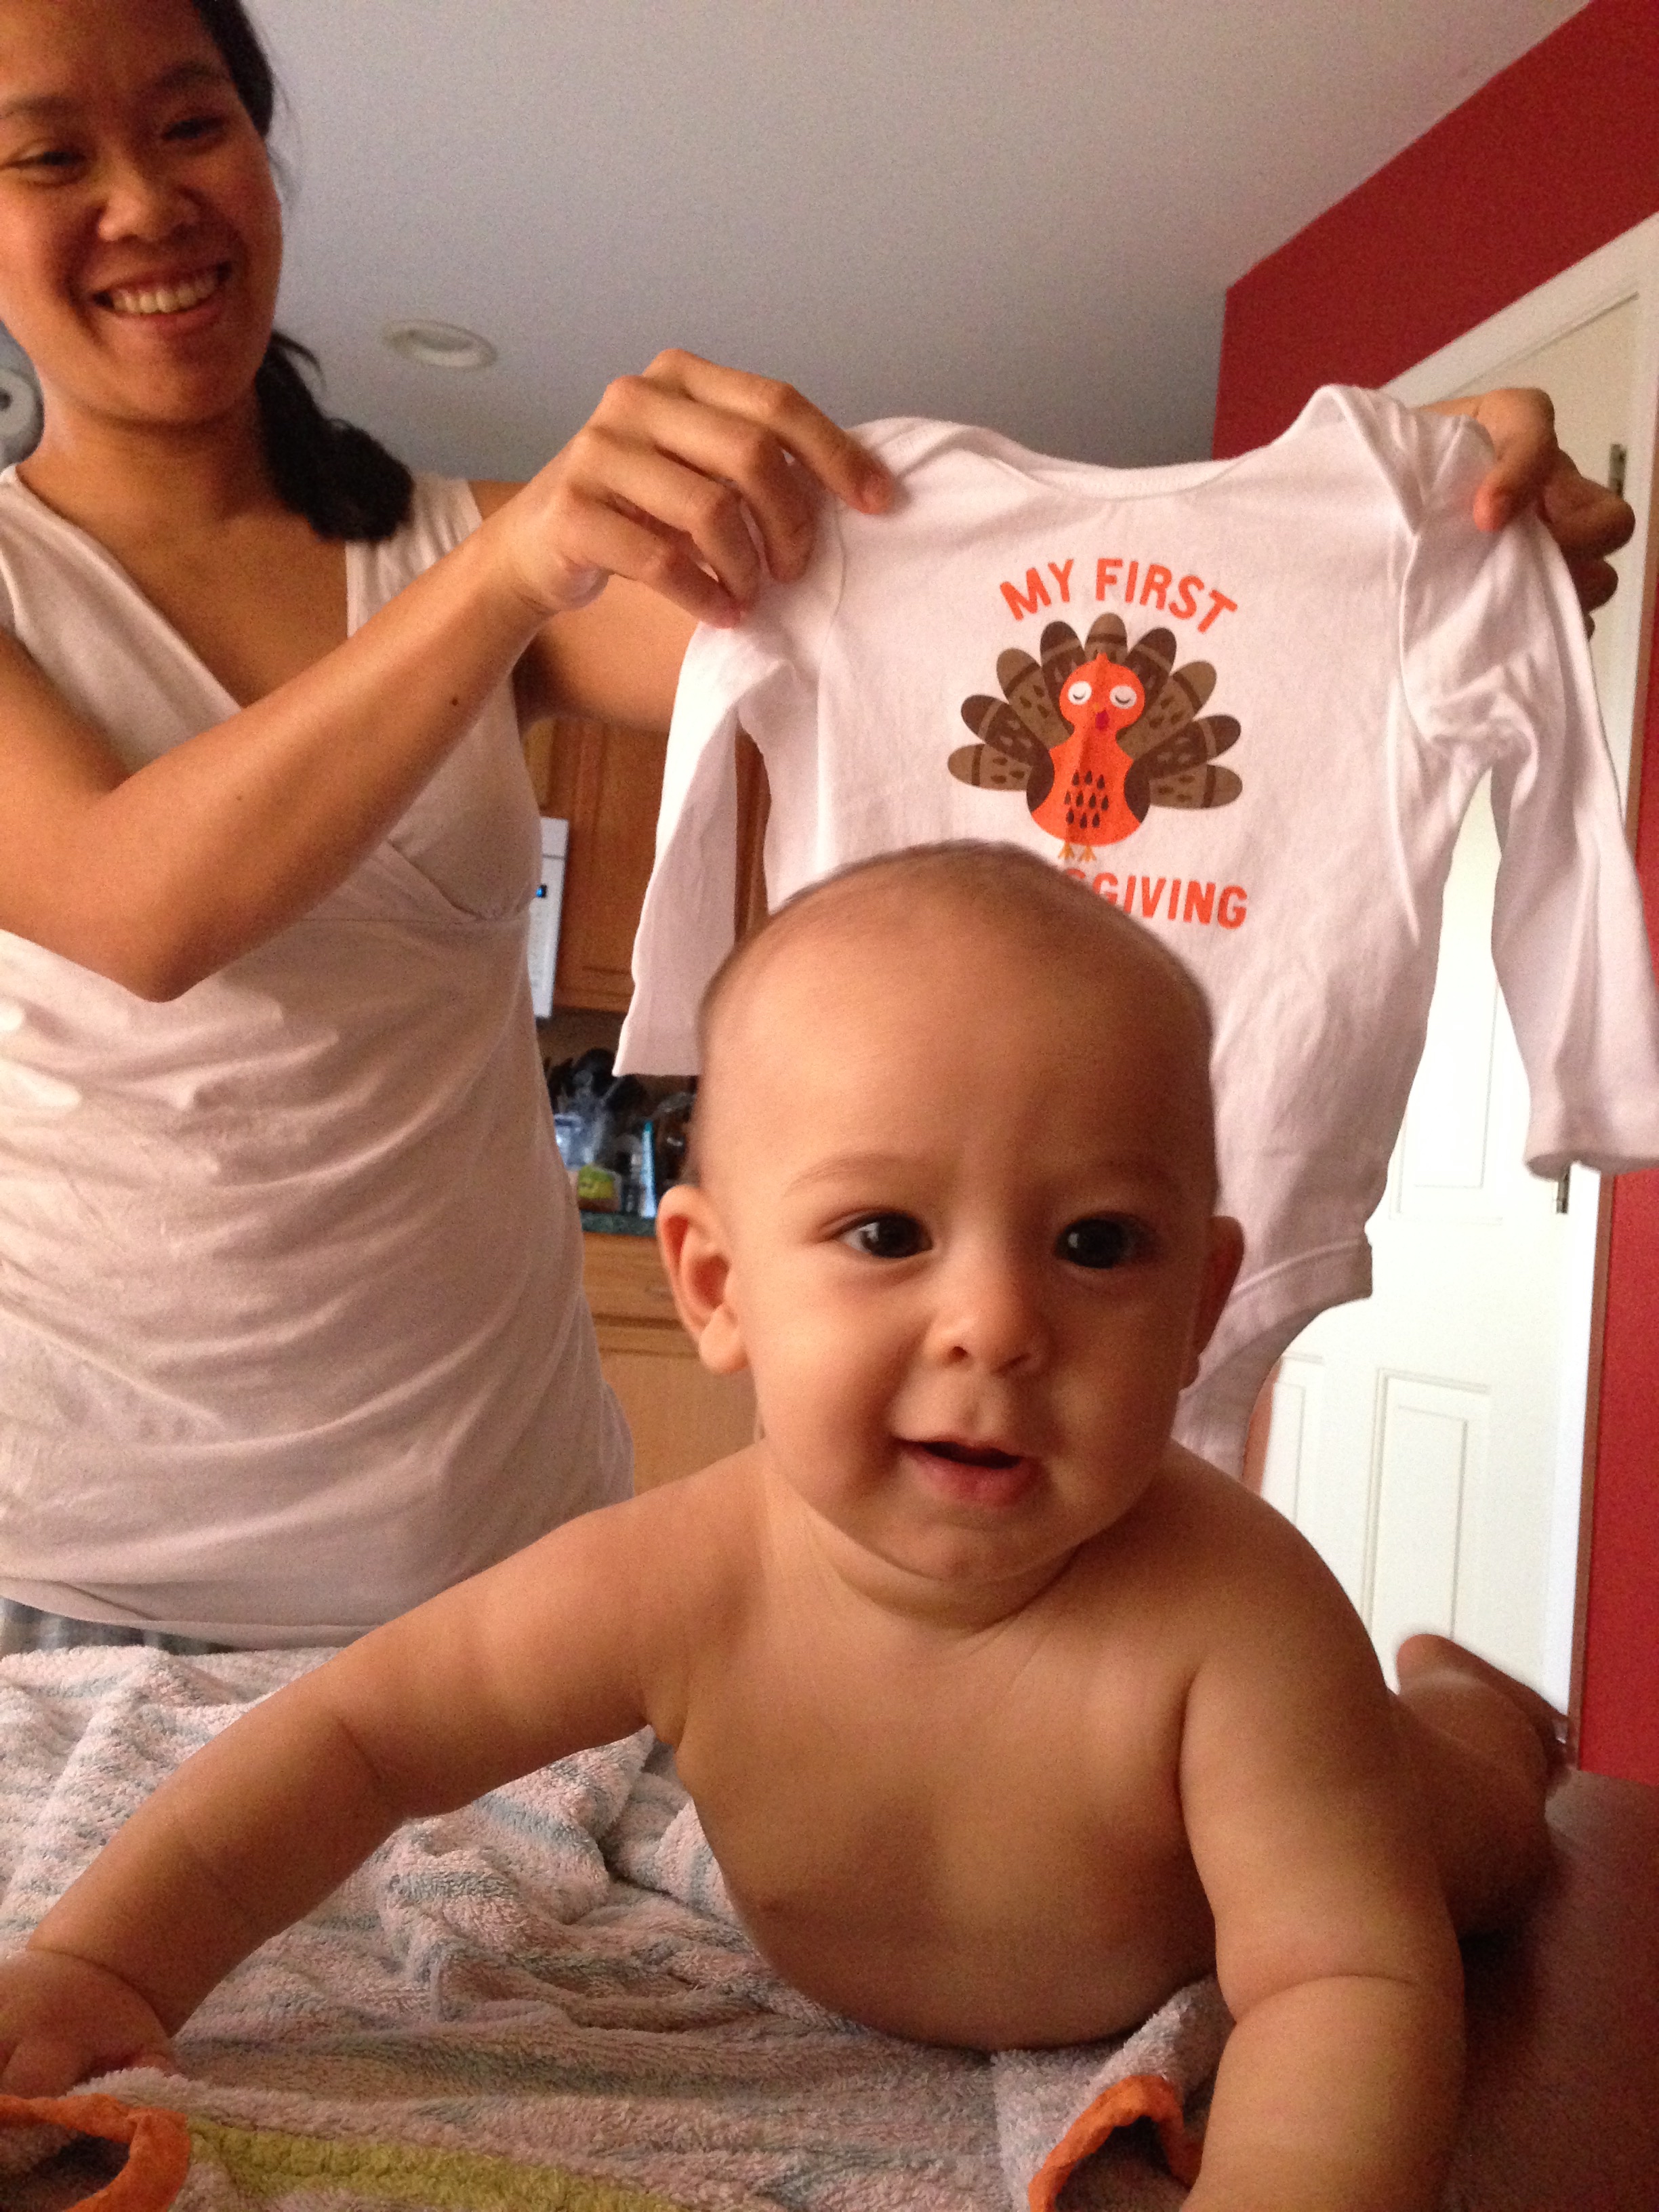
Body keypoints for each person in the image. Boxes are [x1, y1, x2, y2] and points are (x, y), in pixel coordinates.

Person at [0, 0, 1634, 1655]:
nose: (145, 204)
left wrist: (1400, 552)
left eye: (193, 125)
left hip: (499, 1538)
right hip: (80, 1578)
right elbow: (139, 905)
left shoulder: (460, 553)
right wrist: (505, 576)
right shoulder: (476, 571)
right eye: (48, 157)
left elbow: (966, 636)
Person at [0, 846, 1563, 2212]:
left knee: (1481, 1839)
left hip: (1372, 1803)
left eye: (1097, 1243)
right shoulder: (679, 1573)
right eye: (887, 1232)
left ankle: (1479, 1721)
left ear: (1203, 1304)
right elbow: (359, 1736)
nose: (996, 1323)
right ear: (717, 1286)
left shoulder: (1238, 1622)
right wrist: (106, 1965)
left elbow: (1342, 1976)